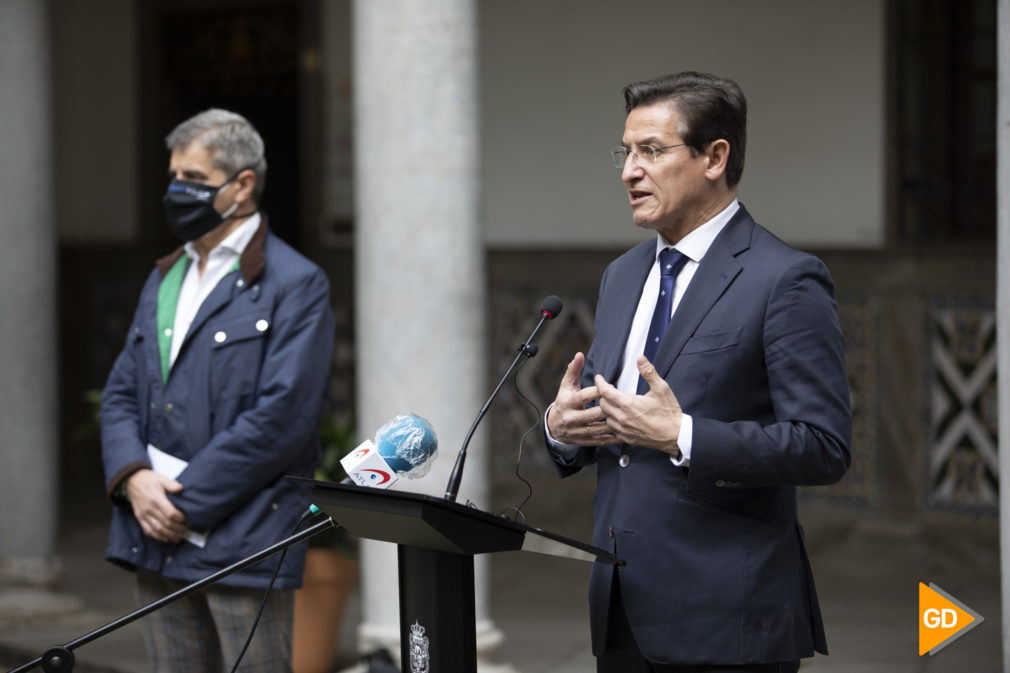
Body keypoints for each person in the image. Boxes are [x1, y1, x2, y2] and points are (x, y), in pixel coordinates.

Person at [544, 72, 852, 672]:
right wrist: (563, 429)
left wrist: (682, 435)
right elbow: (618, 427)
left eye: (652, 151)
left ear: (715, 157)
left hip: (727, 619)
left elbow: (824, 447)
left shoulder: (784, 279)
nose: (630, 171)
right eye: (626, 152)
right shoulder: (622, 275)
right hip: (621, 608)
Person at [100, 108, 335, 672]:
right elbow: (121, 393)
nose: (177, 192)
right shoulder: (166, 276)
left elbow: (284, 417)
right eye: (174, 178)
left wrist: (181, 503)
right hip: (153, 531)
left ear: (243, 185)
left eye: (194, 181)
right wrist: (135, 480)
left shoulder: (295, 283)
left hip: (243, 538)